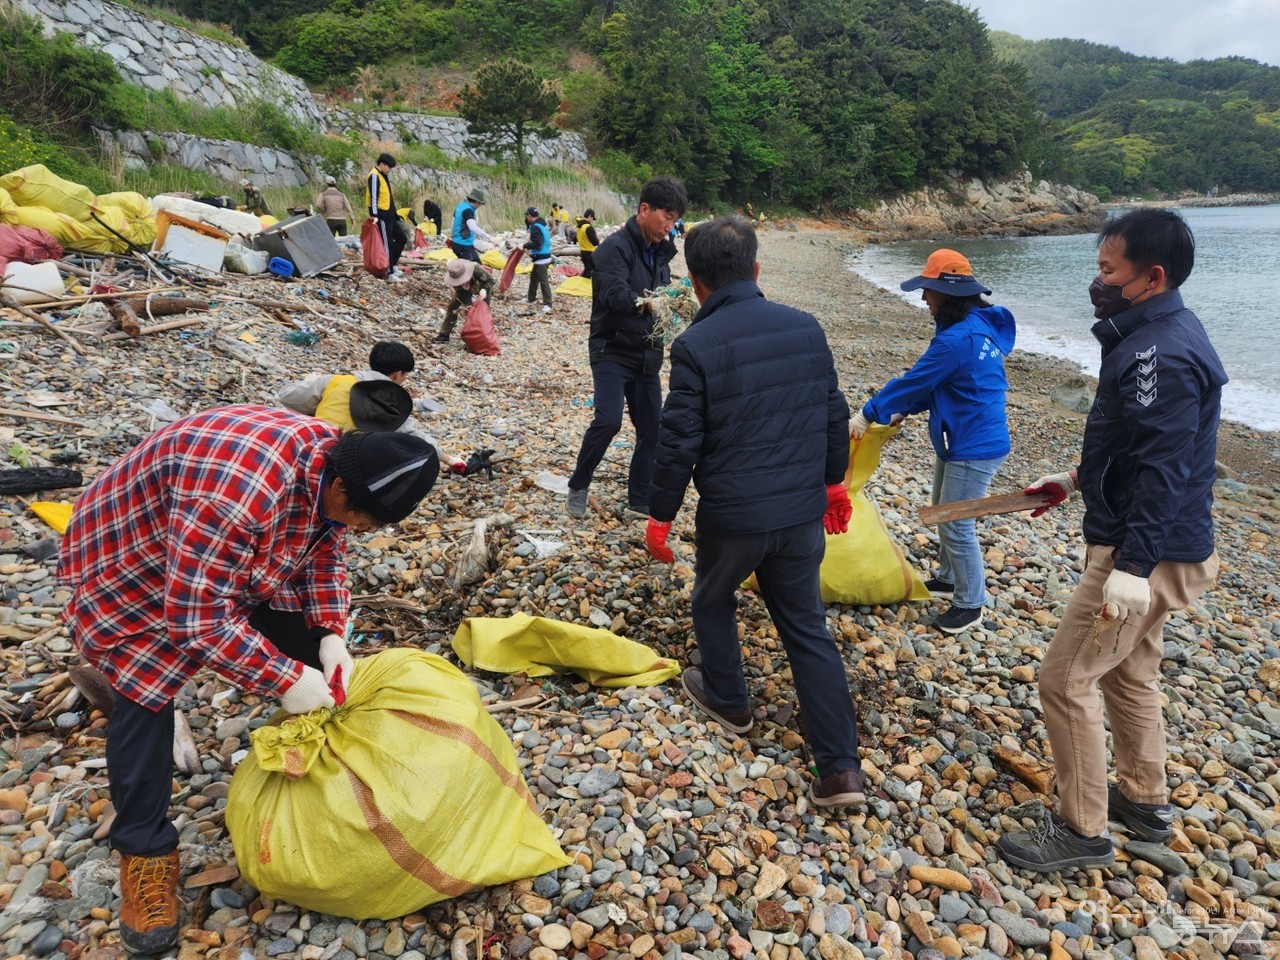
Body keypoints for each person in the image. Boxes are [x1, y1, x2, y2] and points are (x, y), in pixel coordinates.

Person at [57, 406, 439, 954]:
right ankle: (144, 854)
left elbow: (324, 548)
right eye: (360, 519)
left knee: (307, 649)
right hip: (136, 554)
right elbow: (195, 617)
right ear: (338, 481)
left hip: (228, 549)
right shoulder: (239, 494)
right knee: (145, 689)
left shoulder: (338, 472)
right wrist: (283, 678)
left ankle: (320, 775)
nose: (358, 531)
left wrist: (330, 632)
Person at [995, 209, 1225, 872]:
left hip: (1147, 549)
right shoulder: (1154, 332)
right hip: (1159, 542)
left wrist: (1130, 569)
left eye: (1107, 271)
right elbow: (1137, 444)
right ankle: (1144, 802)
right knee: (1129, 670)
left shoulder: (1161, 353)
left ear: (1151, 277)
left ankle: (1081, 828)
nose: (1096, 282)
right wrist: (1072, 479)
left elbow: (1164, 468)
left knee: (1065, 679)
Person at [646, 216, 864, 807]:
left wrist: (661, 515)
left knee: (711, 598)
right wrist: (831, 486)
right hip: (797, 515)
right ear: (757, 270)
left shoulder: (694, 344)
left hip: (734, 517)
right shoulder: (806, 328)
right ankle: (841, 770)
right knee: (806, 627)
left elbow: (679, 440)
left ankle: (729, 698)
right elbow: (831, 415)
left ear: (695, 283)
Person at [851, 249, 1015, 634]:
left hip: (972, 444)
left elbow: (915, 381)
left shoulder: (957, 339)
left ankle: (971, 603)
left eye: (929, 291)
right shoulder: (976, 326)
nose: (925, 298)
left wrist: (869, 413)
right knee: (943, 511)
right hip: (963, 434)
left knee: (956, 524)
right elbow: (945, 385)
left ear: (949, 295)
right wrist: (905, 409)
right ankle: (946, 577)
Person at [566, 175, 687, 519]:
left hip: (647, 351)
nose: (670, 226)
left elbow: (666, 292)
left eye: (675, 220)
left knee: (653, 428)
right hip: (612, 348)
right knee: (608, 421)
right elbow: (615, 297)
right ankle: (578, 484)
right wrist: (653, 305)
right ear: (644, 209)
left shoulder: (661, 255)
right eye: (667, 217)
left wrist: (677, 303)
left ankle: (638, 499)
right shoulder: (612, 249)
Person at [276, 340, 467, 473]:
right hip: (349, 465)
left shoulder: (336, 381)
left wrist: (315, 393)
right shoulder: (392, 401)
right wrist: (450, 460)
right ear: (398, 374)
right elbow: (415, 436)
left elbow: (287, 397)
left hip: (308, 451)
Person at [435, 258, 495, 345]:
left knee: (483, 312)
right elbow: (461, 292)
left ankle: (484, 336)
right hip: (464, 290)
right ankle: (444, 334)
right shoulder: (453, 275)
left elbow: (491, 280)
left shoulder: (475, 268)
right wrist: (468, 304)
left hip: (482, 287)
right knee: (453, 307)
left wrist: (484, 290)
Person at [366, 153, 406, 281]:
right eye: (389, 167)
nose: (390, 170)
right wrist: (374, 215)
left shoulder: (383, 175)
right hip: (381, 216)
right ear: (382, 164)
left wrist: (395, 214)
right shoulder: (374, 175)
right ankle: (388, 272)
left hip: (390, 215)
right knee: (387, 243)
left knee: (402, 238)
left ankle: (393, 264)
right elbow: (373, 197)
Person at [523, 206, 553, 313]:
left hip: (541, 258)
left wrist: (525, 245)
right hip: (543, 256)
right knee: (534, 278)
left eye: (526, 216)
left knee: (543, 281)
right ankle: (531, 298)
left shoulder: (535, 227)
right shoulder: (542, 224)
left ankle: (548, 304)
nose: (526, 218)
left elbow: (537, 244)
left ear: (529, 216)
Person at [450, 185, 492, 263]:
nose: (479, 206)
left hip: (462, 244)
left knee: (477, 263)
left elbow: (453, 223)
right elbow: (472, 227)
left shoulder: (460, 206)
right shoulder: (468, 211)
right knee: (469, 268)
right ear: (476, 202)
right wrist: (488, 237)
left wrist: (452, 236)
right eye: (480, 204)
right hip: (463, 245)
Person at [576, 209, 599, 279]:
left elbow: (576, 239)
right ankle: (585, 288)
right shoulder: (588, 227)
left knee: (587, 270)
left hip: (582, 252)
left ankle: (582, 285)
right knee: (589, 272)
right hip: (590, 253)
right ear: (590, 216)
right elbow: (595, 243)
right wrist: (598, 238)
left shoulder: (579, 227)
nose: (592, 220)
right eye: (592, 218)